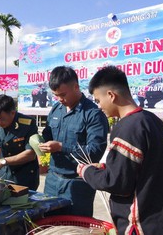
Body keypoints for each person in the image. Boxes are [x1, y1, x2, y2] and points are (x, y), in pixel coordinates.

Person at [77, 66, 163, 234]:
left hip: (143, 224)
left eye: (98, 100)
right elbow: (143, 168)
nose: (98, 106)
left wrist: (87, 171)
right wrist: (106, 168)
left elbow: (117, 183)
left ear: (111, 96)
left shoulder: (127, 127)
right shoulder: (152, 120)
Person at [38, 65, 108, 216]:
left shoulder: (93, 114)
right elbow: (47, 134)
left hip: (78, 184)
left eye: (63, 95)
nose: (60, 99)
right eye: (56, 95)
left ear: (76, 86)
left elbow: (95, 151)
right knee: (49, 226)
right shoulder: (56, 109)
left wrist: (62, 147)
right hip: (52, 179)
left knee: (75, 227)